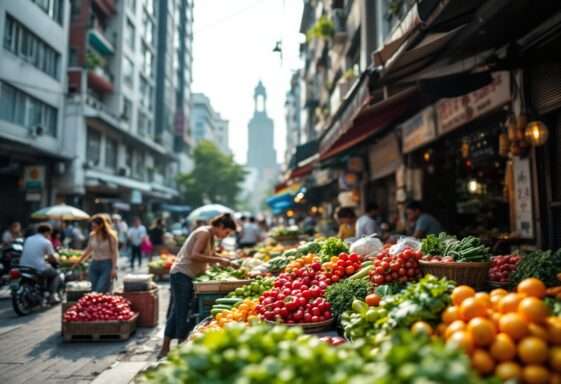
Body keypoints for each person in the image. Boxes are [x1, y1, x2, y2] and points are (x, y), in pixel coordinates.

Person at [158, 213, 237, 358]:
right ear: (220, 226)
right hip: (182, 274)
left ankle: (177, 346)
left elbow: (210, 256)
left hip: (189, 276)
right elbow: (195, 255)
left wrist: (226, 260)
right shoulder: (204, 233)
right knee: (179, 311)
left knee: (183, 311)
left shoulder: (211, 236)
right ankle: (166, 348)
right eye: (226, 233)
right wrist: (219, 260)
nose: (226, 236)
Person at [74, 214, 119, 293]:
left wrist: (114, 268)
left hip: (107, 264)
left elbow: (114, 252)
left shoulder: (111, 236)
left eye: (94, 226)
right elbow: (88, 250)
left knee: (100, 288)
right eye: (92, 226)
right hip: (94, 264)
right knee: (93, 289)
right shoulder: (92, 235)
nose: (92, 227)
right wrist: (79, 261)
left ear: (101, 225)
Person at [19, 224, 61, 304]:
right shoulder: (46, 242)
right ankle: (52, 296)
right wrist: (56, 261)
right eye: (49, 234)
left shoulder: (28, 239)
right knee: (56, 274)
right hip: (37, 267)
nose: (49, 236)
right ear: (47, 232)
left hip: (23, 266)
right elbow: (52, 257)